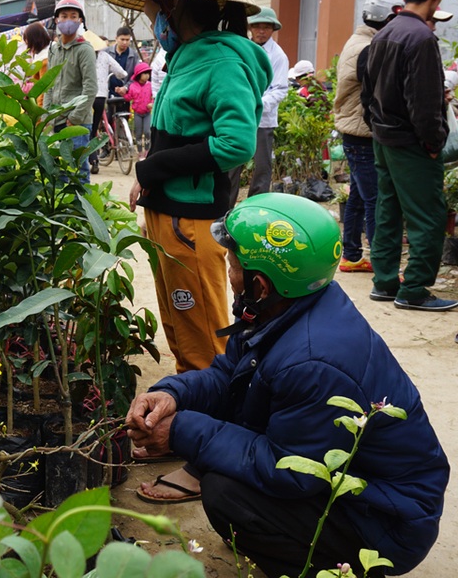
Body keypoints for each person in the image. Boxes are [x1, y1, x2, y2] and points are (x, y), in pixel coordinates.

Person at [126, 192, 448, 577]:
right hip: (366, 487)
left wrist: (179, 430)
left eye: (231, 265)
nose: (228, 276)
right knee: (225, 453)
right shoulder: (292, 302)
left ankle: (322, 565)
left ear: (259, 285)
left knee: (225, 492)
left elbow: (288, 471)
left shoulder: (312, 361)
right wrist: (172, 394)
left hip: (387, 520)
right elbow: (228, 376)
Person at [104, 0, 272, 373]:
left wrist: (155, 167)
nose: (151, 22)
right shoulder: (182, 58)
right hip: (167, 212)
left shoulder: (222, 63)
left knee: (202, 329)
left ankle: (211, 417)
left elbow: (236, 143)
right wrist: (146, 175)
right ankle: (191, 402)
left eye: (151, 12)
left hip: (191, 219)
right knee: (180, 322)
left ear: (173, 6)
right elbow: (172, 134)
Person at [361, 0, 457, 311]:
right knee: (429, 216)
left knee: (389, 211)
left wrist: (376, 127)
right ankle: (414, 288)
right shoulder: (420, 39)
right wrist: (433, 143)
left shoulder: (385, 33)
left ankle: (385, 282)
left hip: (384, 139)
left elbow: (367, 92)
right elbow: (425, 102)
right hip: (411, 143)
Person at [333, 0, 404, 274]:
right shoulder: (367, 48)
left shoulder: (361, 41)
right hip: (362, 134)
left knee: (359, 198)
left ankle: (351, 255)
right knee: (376, 199)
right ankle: (383, 265)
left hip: (354, 132)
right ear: (387, 18)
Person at [228, 7, 289, 207]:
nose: (261, 31)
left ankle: (255, 210)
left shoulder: (278, 55)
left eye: (266, 27)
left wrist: (256, 104)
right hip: (239, 117)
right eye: (257, 26)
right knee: (232, 164)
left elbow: (280, 89)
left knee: (262, 167)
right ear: (250, 28)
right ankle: (225, 210)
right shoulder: (242, 48)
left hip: (263, 120)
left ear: (273, 29)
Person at [42, 0, 98, 183]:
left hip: (76, 122)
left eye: (73, 16)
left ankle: (80, 212)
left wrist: (73, 118)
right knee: (58, 174)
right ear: (56, 20)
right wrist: (46, 118)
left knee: (77, 173)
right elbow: (49, 86)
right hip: (56, 119)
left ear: (80, 21)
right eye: (64, 16)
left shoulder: (85, 50)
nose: (68, 20)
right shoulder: (53, 49)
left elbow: (90, 88)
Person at [91, 47, 129, 173]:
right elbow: (121, 73)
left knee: (90, 129)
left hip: (87, 96)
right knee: (96, 123)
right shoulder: (105, 56)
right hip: (101, 96)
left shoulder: (83, 53)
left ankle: (93, 159)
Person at [116, 61, 153, 156]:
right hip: (137, 113)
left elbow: (154, 96)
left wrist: (151, 103)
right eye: (144, 73)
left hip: (147, 113)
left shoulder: (150, 85)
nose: (147, 75)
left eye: (148, 73)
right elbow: (128, 97)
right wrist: (121, 92)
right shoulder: (133, 86)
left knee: (147, 132)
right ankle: (140, 151)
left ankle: (148, 150)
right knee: (138, 133)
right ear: (139, 75)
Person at [103, 26, 139, 101]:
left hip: (126, 95)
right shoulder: (106, 52)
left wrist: (126, 87)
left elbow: (136, 75)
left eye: (127, 40)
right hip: (107, 93)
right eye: (122, 39)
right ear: (116, 38)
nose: (125, 42)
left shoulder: (133, 55)